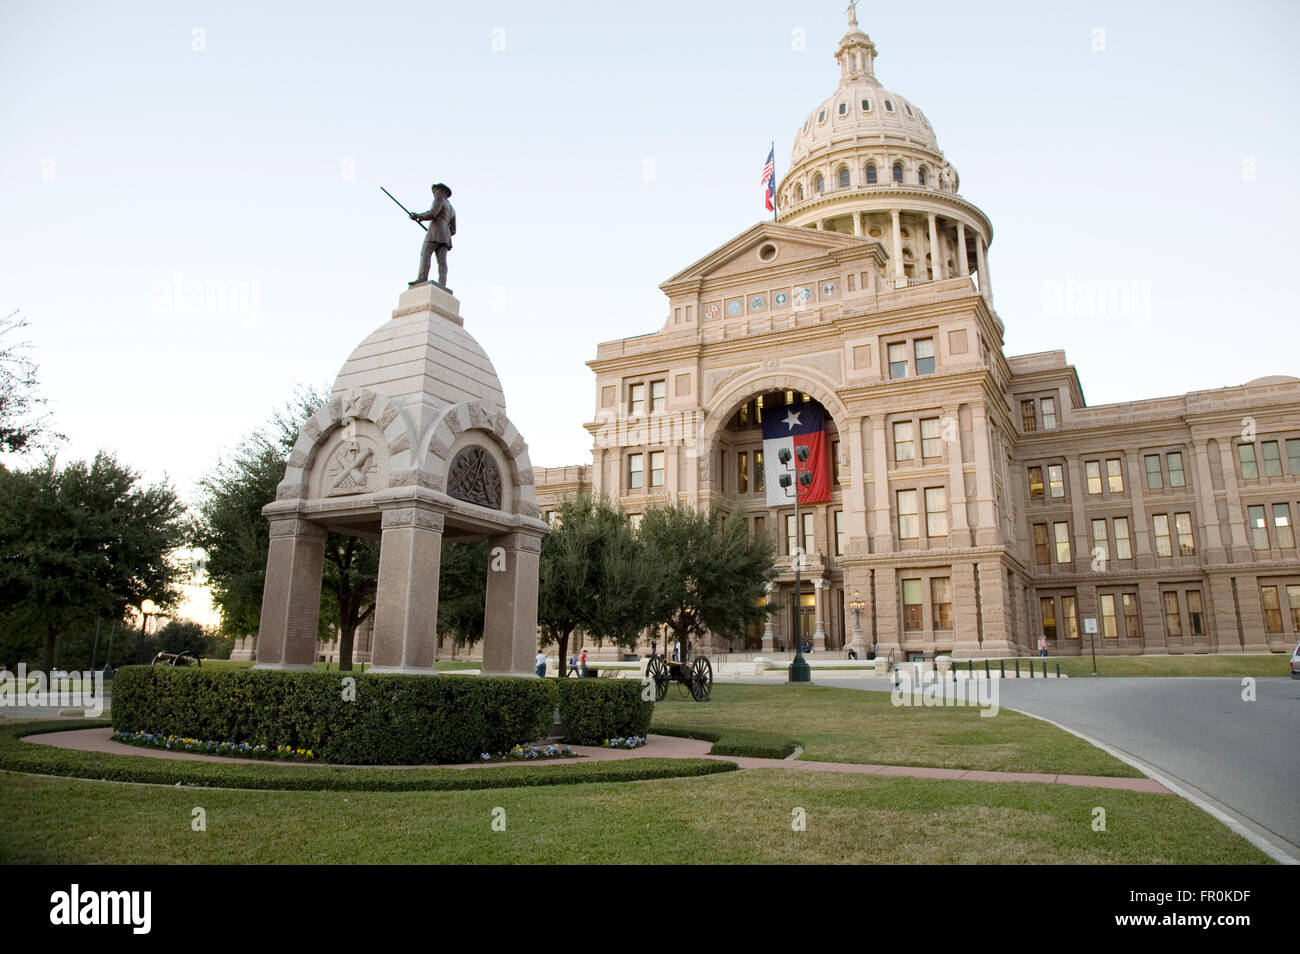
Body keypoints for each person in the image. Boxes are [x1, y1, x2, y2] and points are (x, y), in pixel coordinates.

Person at [410, 182, 456, 287]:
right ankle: (442, 283)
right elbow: (453, 230)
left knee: (425, 253)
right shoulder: (452, 209)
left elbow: (433, 213)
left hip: (434, 232)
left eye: (436, 191)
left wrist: (418, 216)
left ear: (442, 192)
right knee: (442, 261)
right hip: (445, 236)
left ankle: (422, 278)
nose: (435, 194)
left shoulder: (439, 199)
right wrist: (444, 231)